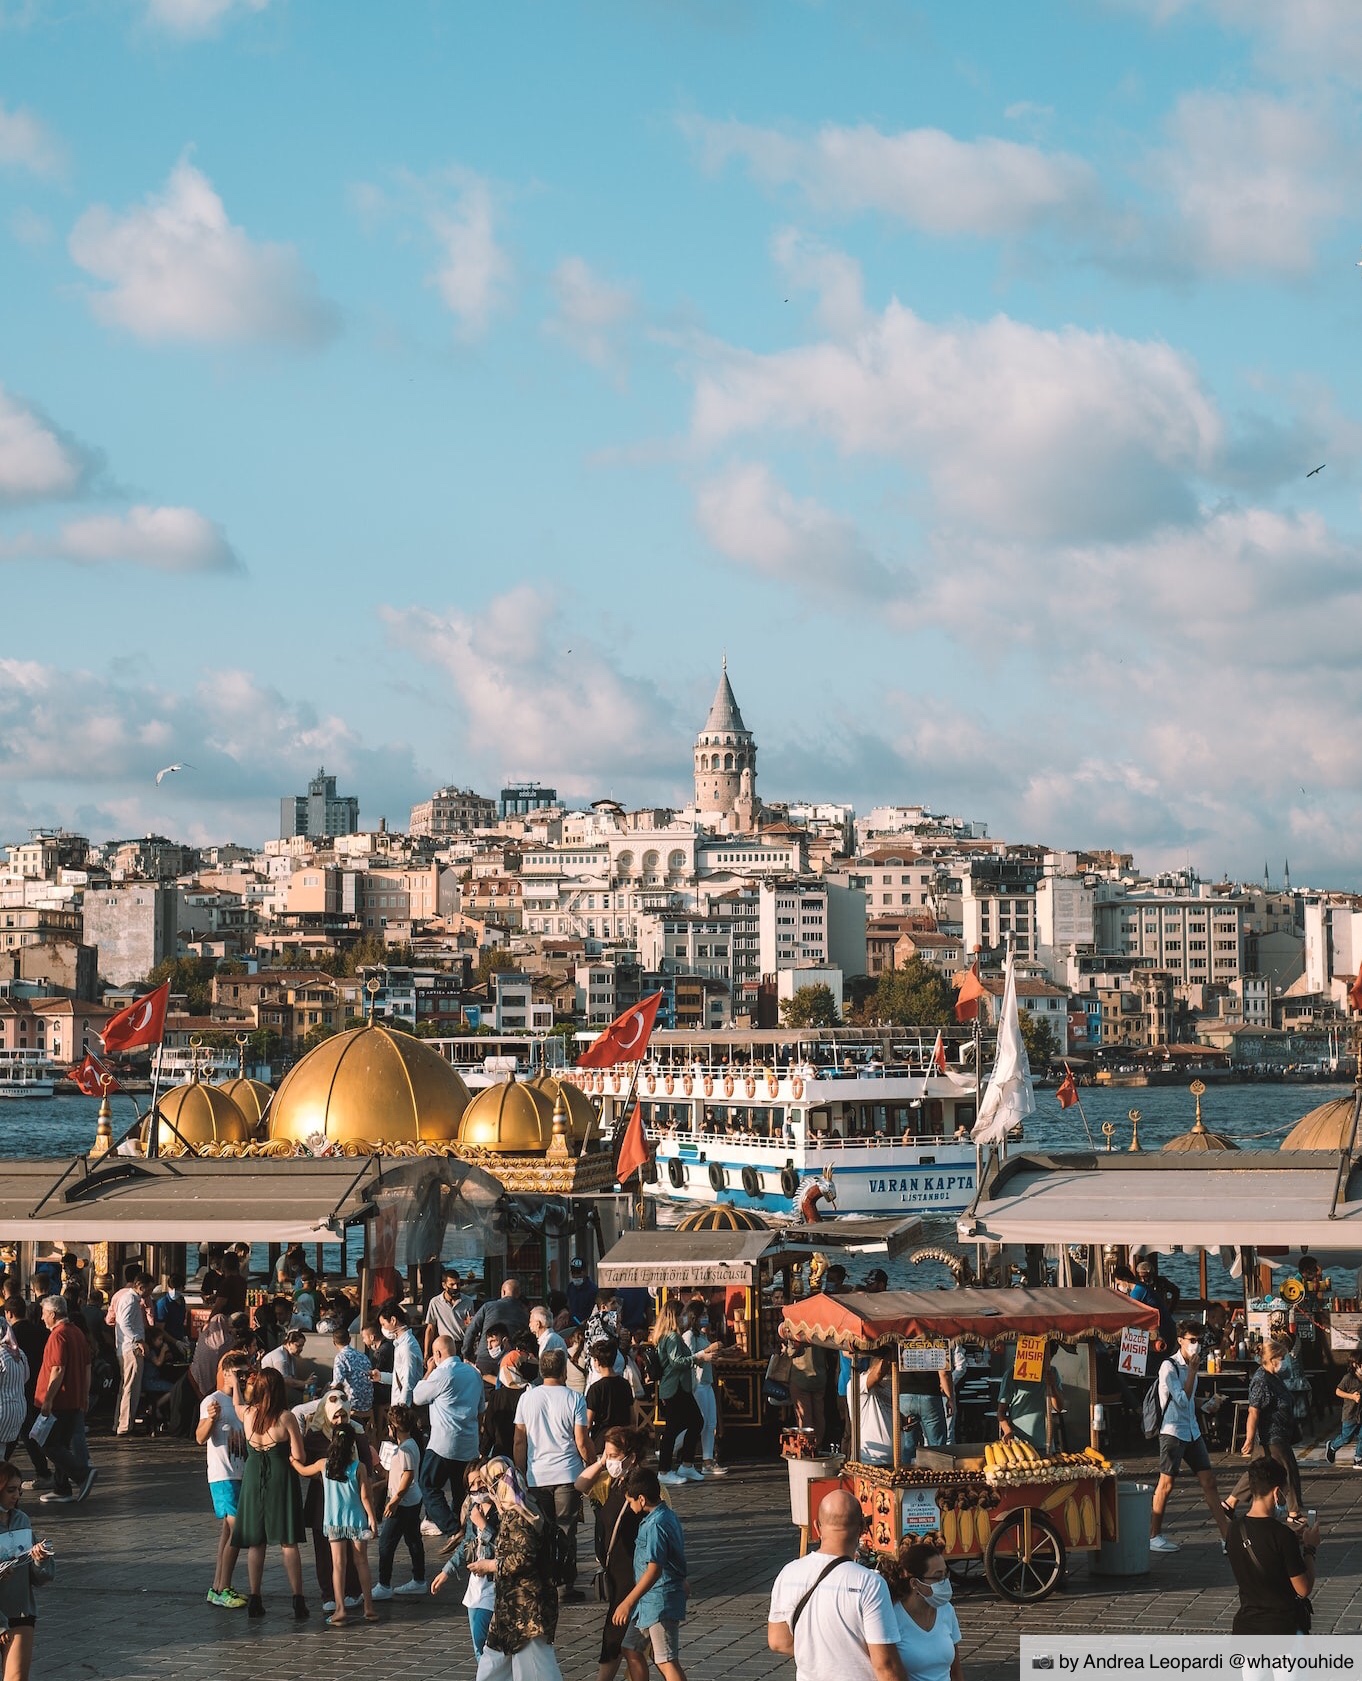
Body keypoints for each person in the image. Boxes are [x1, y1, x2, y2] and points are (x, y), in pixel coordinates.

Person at [768, 1487, 906, 1681]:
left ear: (817, 1527)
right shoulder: (870, 1583)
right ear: (862, 1529)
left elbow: (778, 1641)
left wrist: (820, 1657)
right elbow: (885, 1665)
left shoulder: (789, 1572)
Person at [575, 1425, 653, 1681]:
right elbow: (580, 1484)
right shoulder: (611, 1482)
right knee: (625, 1640)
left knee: (624, 1639)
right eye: (605, 1454)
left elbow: (658, 1523)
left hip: (634, 1572)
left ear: (630, 1457)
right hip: (615, 1572)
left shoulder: (646, 1486)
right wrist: (601, 1463)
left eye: (612, 1455)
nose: (609, 1460)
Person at [475, 1455, 563, 1681]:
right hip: (510, 1610)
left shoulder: (518, 1514)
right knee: (492, 1666)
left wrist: (491, 1565)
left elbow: (523, 1557)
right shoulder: (522, 1507)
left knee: (536, 1672)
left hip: (527, 1611)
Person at [515, 1347, 590, 1601]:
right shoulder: (575, 1399)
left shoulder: (527, 1398)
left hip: (537, 1474)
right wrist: (591, 1464)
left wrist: (521, 1471)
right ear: (562, 1370)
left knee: (541, 1530)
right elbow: (581, 1441)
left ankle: (543, 1579)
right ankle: (564, 1584)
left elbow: (519, 1440)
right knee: (566, 1529)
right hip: (567, 1473)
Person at [235, 1367, 308, 1620]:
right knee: (288, 1541)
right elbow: (299, 1456)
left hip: (254, 1476)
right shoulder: (285, 1417)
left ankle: (255, 1597)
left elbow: (238, 1404)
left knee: (256, 1541)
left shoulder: (248, 1415)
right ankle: (298, 1600)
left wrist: (235, 1381)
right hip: (280, 1477)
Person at [294, 1408, 379, 1626]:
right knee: (361, 1563)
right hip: (356, 1520)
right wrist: (372, 1519)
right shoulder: (358, 1467)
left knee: (338, 1565)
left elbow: (304, 1471)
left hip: (333, 1522)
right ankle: (369, 1607)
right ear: (352, 1445)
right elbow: (366, 1497)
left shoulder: (324, 1465)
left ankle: (340, 1609)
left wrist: (293, 1461)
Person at [1149, 1321, 1228, 1553]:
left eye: (1199, 1341)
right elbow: (1181, 1401)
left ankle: (1226, 1537)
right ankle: (1154, 1535)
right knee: (1167, 1483)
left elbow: (1190, 1401)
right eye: (1192, 1340)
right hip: (1172, 1431)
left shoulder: (1190, 1365)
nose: (1196, 1346)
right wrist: (1193, 1371)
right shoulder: (1169, 1367)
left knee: (1209, 1481)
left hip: (1192, 1430)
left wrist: (1207, 1404)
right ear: (1181, 1340)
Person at [611, 1467, 689, 1681]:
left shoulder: (655, 1524)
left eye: (631, 1500)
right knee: (631, 1648)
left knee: (665, 1659)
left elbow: (654, 1570)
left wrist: (627, 1602)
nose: (630, 1505)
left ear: (642, 1499)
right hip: (648, 1603)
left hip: (659, 1600)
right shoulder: (666, 1515)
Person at [1225, 1457, 1319, 1634]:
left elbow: (1262, 1548)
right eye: (1286, 1491)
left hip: (1245, 1629)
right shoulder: (1282, 1535)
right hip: (1280, 1630)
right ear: (1277, 1493)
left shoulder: (1234, 1529)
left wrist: (1291, 1540)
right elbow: (1303, 1589)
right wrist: (1310, 1548)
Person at [413, 1333, 486, 1541]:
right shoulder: (473, 1373)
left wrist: (428, 1371)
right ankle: (466, 1529)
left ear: (437, 1353)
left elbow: (418, 1397)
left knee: (428, 1485)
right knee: (461, 1492)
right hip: (468, 1441)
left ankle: (453, 1528)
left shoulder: (443, 1373)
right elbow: (481, 1408)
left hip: (443, 1442)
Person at [1225, 1337, 1304, 1521]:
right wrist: (1249, 1439)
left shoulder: (1273, 1376)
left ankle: (1229, 1503)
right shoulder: (1261, 1380)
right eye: (1282, 1357)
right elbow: (1253, 1411)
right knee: (1288, 1470)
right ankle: (1294, 1512)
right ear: (1272, 1358)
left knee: (1257, 1472)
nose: (1284, 1362)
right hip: (1271, 1435)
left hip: (1279, 1434)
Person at [196, 1348, 251, 1609]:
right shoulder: (212, 1401)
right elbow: (199, 1437)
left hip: (242, 1472)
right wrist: (211, 1419)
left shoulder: (243, 1402)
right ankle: (223, 1587)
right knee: (237, 1529)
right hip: (223, 1475)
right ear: (226, 1374)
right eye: (238, 1374)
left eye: (245, 1373)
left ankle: (218, 1586)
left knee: (228, 1532)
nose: (242, 1378)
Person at [432, 1460, 499, 1660]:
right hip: (476, 1587)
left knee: (485, 1646)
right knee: (479, 1648)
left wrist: (484, 1526)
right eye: (472, 1485)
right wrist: (447, 1571)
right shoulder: (474, 1510)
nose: (477, 1488)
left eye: (480, 1481)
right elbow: (467, 1544)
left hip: (495, 1586)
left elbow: (508, 1548)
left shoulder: (503, 1510)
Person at [31, 1297, 94, 1507]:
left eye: (44, 1313)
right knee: (61, 1444)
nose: (42, 1317)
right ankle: (61, 1488)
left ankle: (82, 1473)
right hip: (74, 1399)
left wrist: (48, 1399)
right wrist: (84, 1395)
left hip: (60, 1400)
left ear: (53, 1314)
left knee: (49, 1445)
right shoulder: (76, 1332)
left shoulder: (58, 1336)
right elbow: (87, 1367)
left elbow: (57, 1369)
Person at [651, 1302, 718, 1487]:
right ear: (675, 1316)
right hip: (675, 1388)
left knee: (694, 1421)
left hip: (679, 1387)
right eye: (682, 1314)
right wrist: (699, 1358)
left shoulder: (671, 1336)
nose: (684, 1317)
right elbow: (676, 1361)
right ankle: (665, 1469)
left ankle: (686, 1464)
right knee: (676, 1428)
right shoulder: (672, 1337)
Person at [0, 1461, 54, 1681]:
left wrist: (40, 1562)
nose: (17, 1496)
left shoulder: (22, 1520)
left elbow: (40, 1578)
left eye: (19, 1490)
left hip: (20, 1609)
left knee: (17, 1678)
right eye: (10, 1490)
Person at [881, 1538, 962, 1681]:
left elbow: (955, 1672)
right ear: (915, 1583)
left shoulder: (947, 1610)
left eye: (946, 1575)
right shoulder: (892, 1616)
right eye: (937, 1577)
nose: (944, 1582)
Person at [371, 1404, 426, 1599]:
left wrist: (394, 1500)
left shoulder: (405, 1449)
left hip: (404, 1504)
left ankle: (384, 1584)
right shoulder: (408, 1446)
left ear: (394, 1427)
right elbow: (397, 1475)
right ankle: (419, 1579)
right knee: (413, 1540)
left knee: (386, 1543)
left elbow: (407, 1477)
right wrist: (380, 1486)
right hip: (410, 1500)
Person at [105, 1269, 151, 1436]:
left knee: (126, 1387)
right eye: (149, 1289)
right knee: (131, 1388)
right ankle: (125, 1425)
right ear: (142, 1286)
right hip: (130, 1349)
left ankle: (121, 1422)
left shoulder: (129, 1298)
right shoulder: (131, 1300)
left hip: (125, 1347)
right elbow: (124, 1324)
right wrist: (139, 1340)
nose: (150, 1293)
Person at [997, 1342, 1063, 1454]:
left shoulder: (1052, 1373)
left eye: (1047, 1358)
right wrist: (1008, 1431)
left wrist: (1052, 1387)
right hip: (1019, 1444)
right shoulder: (1012, 1374)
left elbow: (1059, 1407)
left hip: (1045, 1442)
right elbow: (1000, 1412)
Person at [462, 1280, 531, 1365]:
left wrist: (467, 1355)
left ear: (503, 1292)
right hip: (510, 1360)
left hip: (485, 1357)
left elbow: (471, 1330)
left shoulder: (488, 1306)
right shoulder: (524, 1313)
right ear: (518, 1294)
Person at [586, 1341, 636, 1449]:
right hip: (622, 1439)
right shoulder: (625, 1384)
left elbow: (588, 1423)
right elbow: (632, 1418)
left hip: (601, 1440)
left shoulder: (595, 1389)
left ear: (596, 1361)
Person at [379, 1303, 423, 1407]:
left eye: (383, 1324)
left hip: (403, 1408)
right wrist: (381, 1376)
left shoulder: (407, 1346)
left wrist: (402, 1407)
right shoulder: (401, 1344)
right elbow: (400, 1377)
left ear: (393, 1320)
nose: (383, 1328)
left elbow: (408, 1380)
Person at [425, 1268, 477, 1358]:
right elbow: (430, 1328)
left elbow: (471, 1324)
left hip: (462, 1343)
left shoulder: (467, 1301)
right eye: (452, 1284)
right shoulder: (435, 1302)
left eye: (458, 1284)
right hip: (445, 1344)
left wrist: (470, 1324)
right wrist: (426, 1353)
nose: (456, 1287)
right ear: (444, 1285)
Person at [1326, 1348, 1362, 1464]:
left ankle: (1358, 1457)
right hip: (1350, 1415)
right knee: (1346, 1438)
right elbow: (1338, 1391)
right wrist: (1352, 1396)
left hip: (1360, 1415)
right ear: (1355, 1365)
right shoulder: (1348, 1378)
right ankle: (1332, 1446)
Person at [261, 1328, 308, 1401]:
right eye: (298, 1346)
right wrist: (305, 1384)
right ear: (289, 1343)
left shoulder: (290, 1355)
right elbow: (285, 1381)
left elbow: (292, 1379)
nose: (301, 1349)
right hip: (270, 1392)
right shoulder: (280, 1358)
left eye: (302, 1346)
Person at [154, 1273, 188, 1344]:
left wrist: (183, 1337)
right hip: (167, 1342)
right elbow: (159, 1329)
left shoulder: (182, 1300)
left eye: (178, 1288)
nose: (174, 1291)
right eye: (171, 1288)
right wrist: (175, 1342)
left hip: (180, 1338)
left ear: (183, 1288)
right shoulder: (163, 1303)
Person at [567, 1258, 597, 1326]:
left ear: (585, 1272)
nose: (576, 1276)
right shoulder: (570, 1287)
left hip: (587, 1326)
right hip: (572, 1326)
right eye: (573, 1273)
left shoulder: (593, 1290)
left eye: (578, 1272)